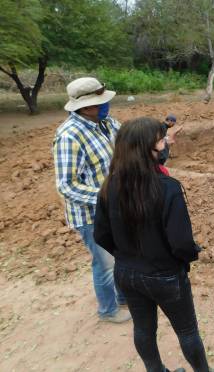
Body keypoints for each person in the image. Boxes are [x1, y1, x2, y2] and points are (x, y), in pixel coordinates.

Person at [94, 117, 210, 372]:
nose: (165, 143)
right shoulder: (168, 189)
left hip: (126, 274)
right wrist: (189, 256)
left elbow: (100, 234)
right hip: (165, 276)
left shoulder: (110, 185)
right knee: (188, 332)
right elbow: (181, 244)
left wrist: (125, 256)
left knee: (144, 329)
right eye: (161, 139)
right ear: (147, 148)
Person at [53, 77, 130, 323]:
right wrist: (107, 196)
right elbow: (66, 185)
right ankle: (108, 310)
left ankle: (123, 296)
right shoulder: (69, 136)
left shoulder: (106, 123)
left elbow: (126, 143)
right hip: (90, 214)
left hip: (114, 208)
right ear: (85, 107)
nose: (106, 106)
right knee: (104, 262)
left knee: (119, 254)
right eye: (100, 103)